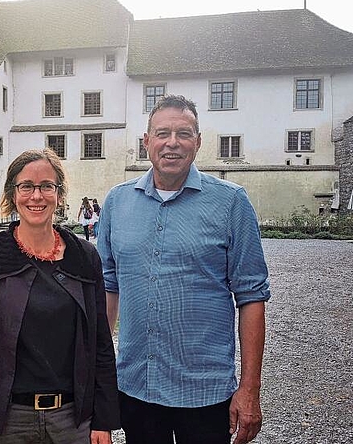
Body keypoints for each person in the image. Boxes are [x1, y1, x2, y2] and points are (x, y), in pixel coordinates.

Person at [97, 95, 271, 444]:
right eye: (162, 133)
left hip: (205, 393)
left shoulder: (231, 202)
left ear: (198, 141)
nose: (172, 143)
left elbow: (252, 297)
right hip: (137, 387)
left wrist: (249, 389)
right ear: (146, 141)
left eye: (184, 133)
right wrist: (98, 376)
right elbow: (108, 287)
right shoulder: (118, 202)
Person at [0, 149, 120, 444]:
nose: (37, 196)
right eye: (26, 186)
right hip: (9, 421)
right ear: (13, 193)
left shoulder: (83, 256)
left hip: (72, 419)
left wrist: (104, 419)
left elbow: (100, 344)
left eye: (47, 186)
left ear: (58, 194)